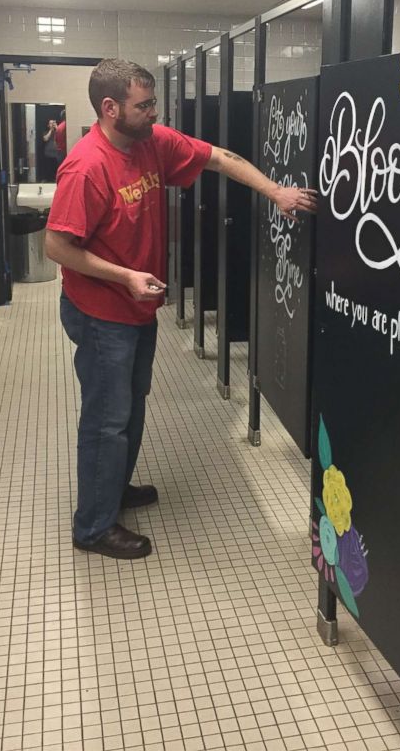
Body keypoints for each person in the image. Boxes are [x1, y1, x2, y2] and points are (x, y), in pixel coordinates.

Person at [45, 59, 316, 560]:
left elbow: (220, 157)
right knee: (107, 418)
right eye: (144, 105)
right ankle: (93, 527)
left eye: (153, 104)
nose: (155, 113)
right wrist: (126, 276)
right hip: (103, 313)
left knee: (130, 407)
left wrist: (274, 191)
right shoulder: (87, 167)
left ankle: (112, 492)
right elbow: (57, 247)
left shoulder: (150, 142)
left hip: (137, 309)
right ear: (110, 109)